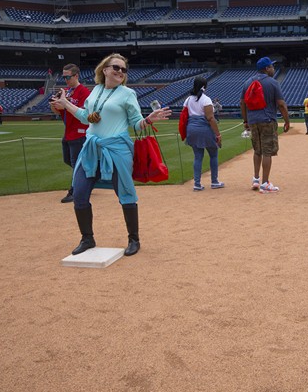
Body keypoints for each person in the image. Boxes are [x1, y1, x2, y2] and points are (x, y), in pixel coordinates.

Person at [53, 53, 171, 257]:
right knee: (79, 194)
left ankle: (134, 239)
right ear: (105, 69)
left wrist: (148, 119)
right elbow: (85, 117)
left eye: (123, 70)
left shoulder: (127, 94)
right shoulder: (96, 90)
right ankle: (87, 238)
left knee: (125, 194)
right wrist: (66, 105)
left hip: (117, 149)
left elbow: (135, 123)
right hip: (91, 148)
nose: (119, 72)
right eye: (116, 67)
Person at [240, 56, 290, 193]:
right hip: (268, 119)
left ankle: (256, 179)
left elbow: (242, 103)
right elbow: (281, 104)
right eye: (272, 67)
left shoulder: (247, 82)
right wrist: (286, 121)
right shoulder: (272, 82)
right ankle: (265, 183)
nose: (274, 69)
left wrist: (246, 121)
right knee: (267, 152)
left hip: (253, 120)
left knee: (257, 151)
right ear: (267, 68)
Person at [51, 63, 91, 203]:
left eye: (68, 77)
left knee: (76, 163)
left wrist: (66, 105)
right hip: (68, 132)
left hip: (80, 133)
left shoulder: (84, 92)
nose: (66, 80)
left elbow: (83, 114)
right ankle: (87, 181)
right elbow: (59, 112)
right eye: (64, 77)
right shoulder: (67, 92)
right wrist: (55, 106)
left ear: (76, 76)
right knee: (68, 160)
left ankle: (75, 191)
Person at [182, 76, 225, 191]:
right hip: (204, 129)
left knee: (198, 157)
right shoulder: (206, 100)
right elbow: (210, 118)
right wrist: (218, 134)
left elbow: (184, 115)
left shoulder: (188, 99)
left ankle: (197, 183)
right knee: (213, 154)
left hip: (191, 128)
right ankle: (214, 181)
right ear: (205, 86)